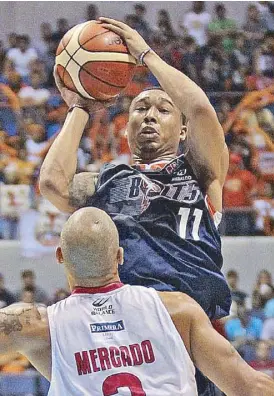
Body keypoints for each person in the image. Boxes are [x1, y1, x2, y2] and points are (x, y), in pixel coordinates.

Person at [40, 18, 231, 395]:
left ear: (181, 130)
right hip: (127, 328)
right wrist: (80, 107)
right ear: (125, 129)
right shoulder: (108, 180)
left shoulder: (200, 172)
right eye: (140, 109)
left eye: (163, 109)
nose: (149, 115)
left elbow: (202, 112)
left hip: (189, 325)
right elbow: (52, 184)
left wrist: (145, 55)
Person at [0, 207, 274, 395]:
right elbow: (251, 387)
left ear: (60, 256)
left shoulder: (35, 325)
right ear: (120, 255)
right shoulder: (178, 309)